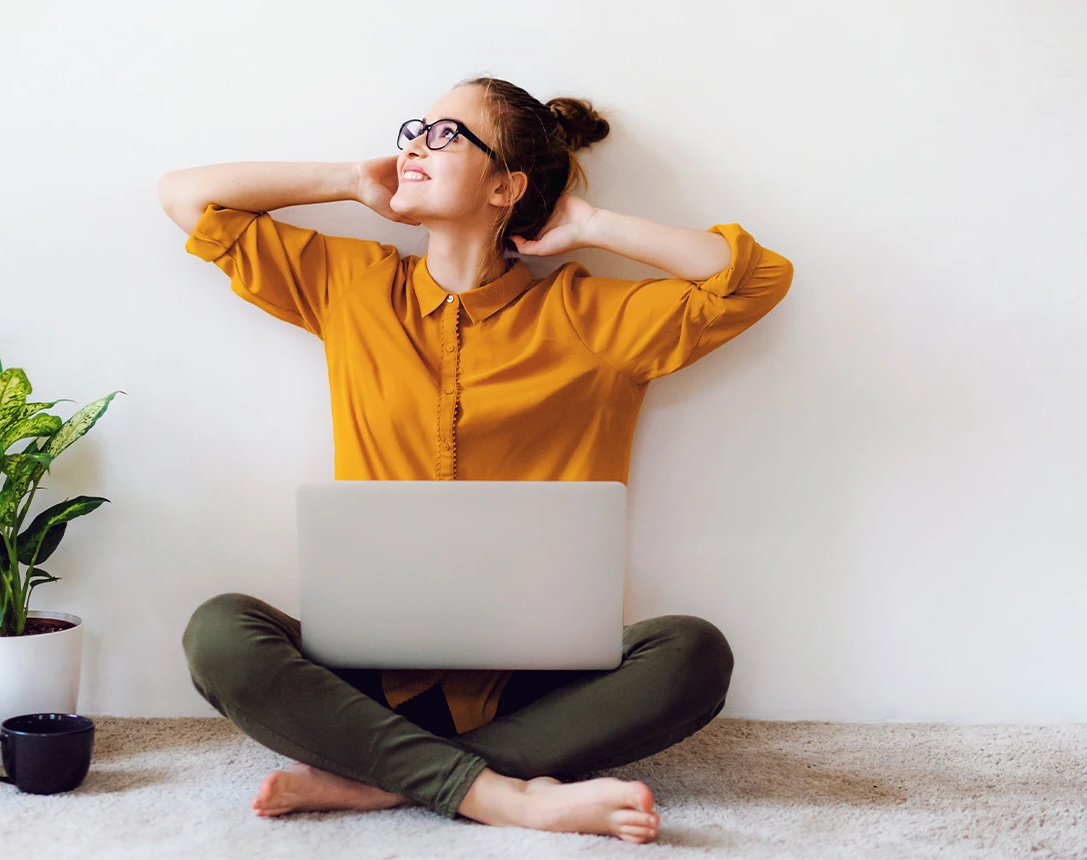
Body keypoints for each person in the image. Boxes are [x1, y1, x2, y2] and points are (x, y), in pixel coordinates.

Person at [159, 75, 793, 845]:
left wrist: (590, 223)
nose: (415, 146)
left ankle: (387, 781)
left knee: (694, 653)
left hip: (538, 682)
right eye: (414, 130)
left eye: (447, 134)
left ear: (506, 186)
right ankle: (508, 796)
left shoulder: (588, 315)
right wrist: (350, 182)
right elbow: (185, 197)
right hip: (366, 667)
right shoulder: (352, 287)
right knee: (218, 631)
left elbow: (756, 281)